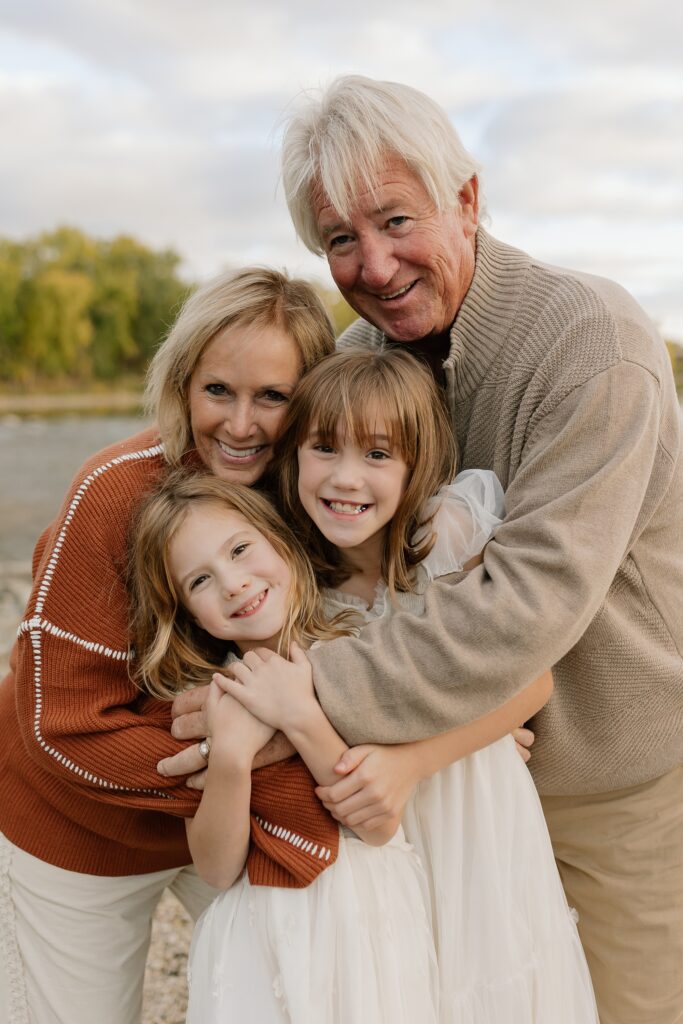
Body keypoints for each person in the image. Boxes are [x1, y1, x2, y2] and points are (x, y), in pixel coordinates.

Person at [268, 74, 683, 1024]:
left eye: (395, 221)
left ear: (466, 199)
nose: (372, 266)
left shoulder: (592, 341)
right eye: (340, 239)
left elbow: (524, 606)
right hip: (447, 786)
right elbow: (267, 494)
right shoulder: (358, 361)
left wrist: (304, 692)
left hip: (606, 788)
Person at [0, 267, 336, 1024]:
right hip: (74, 828)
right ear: (182, 384)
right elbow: (61, 728)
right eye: (218, 390)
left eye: (273, 397)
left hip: (217, 821)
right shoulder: (114, 491)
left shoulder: (317, 488)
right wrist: (249, 756)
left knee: (304, 995)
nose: (241, 425)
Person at [223, 346, 597, 1021]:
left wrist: (422, 754)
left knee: (491, 975)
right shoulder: (295, 588)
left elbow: (531, 677)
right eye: (323, 448)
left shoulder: (446, 537)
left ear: (414, 464)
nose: (346, 478)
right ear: (292, 457)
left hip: (471, 803)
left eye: (376, 455)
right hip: (374, 835)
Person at [129, 469, 441, 1022]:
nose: (232, 583)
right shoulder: (208, 699)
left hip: (368, 917)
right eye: (199, 581)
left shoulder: (366, 646)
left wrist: (297, 714)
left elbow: (375, 824)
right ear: (183, 611)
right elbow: (217, 869)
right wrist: (230, 755)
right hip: (262, 929)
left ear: (281, 539)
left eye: (241, 549)